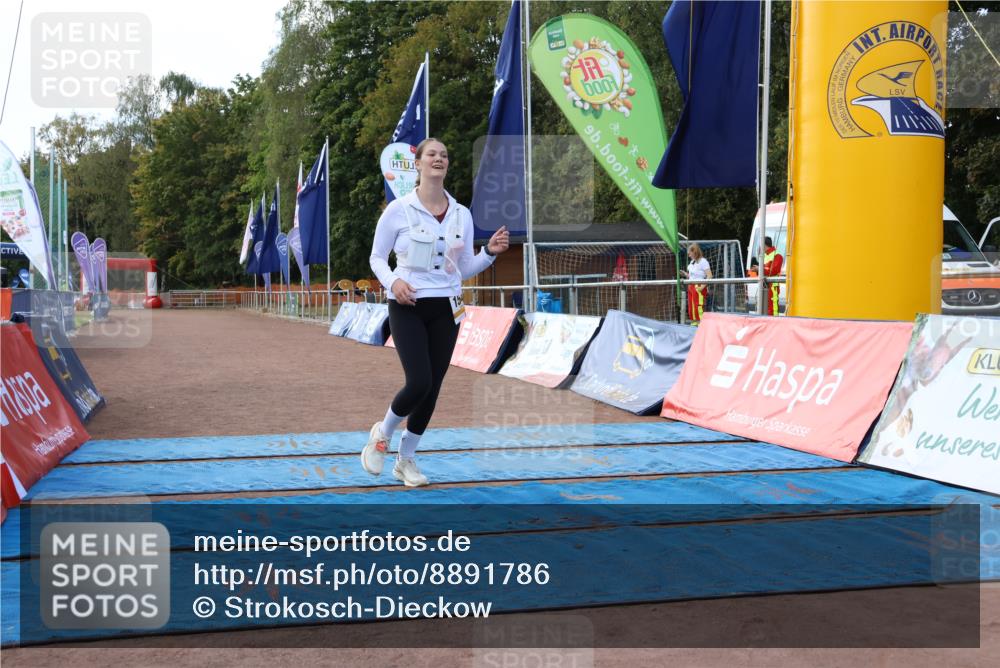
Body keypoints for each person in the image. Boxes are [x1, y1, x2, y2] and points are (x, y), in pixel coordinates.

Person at [363, 138, 510, 487]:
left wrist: (489, 252)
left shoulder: (462, 213)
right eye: (432, 154)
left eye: (444, 155)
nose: (439, 159)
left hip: (447, 308)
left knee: (433, 389)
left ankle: (406, 460)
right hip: (407, 305)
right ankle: (381, 436)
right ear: (417, 163)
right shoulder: (398, 209)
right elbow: (376, 258)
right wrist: (394, 282)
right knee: (419, 381)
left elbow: (463, 267)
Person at [679, 243, 712, 325]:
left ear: (695, 252)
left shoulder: (703, 261)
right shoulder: (692, 262)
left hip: (699, 285)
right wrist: (685, 274)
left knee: (698, 306)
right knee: (691, 306)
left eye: (690, 253)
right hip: (691, 286)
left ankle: (701, 323)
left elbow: (709, 276)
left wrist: (702, 287)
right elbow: (692, 276)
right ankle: (694, 322)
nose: (689, 255)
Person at [762, 236, 783, 316]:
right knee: (766, 309)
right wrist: (759, 270)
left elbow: (773, 271)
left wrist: (760, 269)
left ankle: (775, 326)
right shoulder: (765, 256)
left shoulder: (777, 255)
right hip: (765, 286)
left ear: (764, 245)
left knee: (773, 310)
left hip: (773, 287)